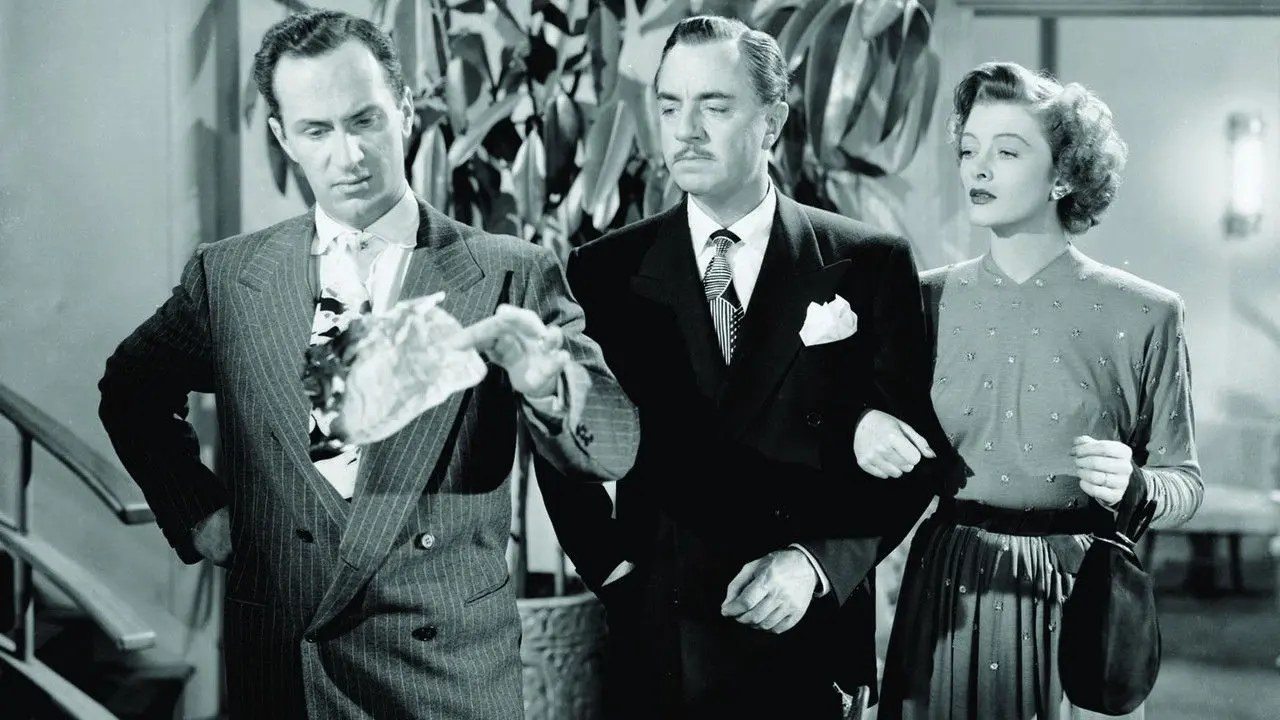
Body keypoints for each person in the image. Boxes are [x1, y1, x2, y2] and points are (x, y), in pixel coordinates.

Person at [97, 9, 639, 719]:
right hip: (284, 667)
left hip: (446, 677)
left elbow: (613, 442)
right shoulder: (228, 278)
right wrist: (199, 514)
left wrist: (548, 388)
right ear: (283, 137)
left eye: (364, 121)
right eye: (316, 131)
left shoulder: (509, 270)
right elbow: (130, 389)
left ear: (404, 110)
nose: (348, 155)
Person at [535, 15, 954, 720]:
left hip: (808, 633)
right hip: (661, 633)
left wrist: (817, 565)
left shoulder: (869, 262)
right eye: (671, 106)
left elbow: (915, 455)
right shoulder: (603, 271)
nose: (686, 131)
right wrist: (614, 570)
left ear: (773, 123)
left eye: (715, 106)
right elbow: (559, 440)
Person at [869, 61, 1204, 719]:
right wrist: (865, 424)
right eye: (969, 150)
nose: (978, 169)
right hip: (947, 586)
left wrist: (1136, 485)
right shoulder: (919, 301)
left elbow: (1185, 483)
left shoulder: (1148, 313)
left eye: (1006, 151)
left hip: (1077, 594)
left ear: (1064, 175)